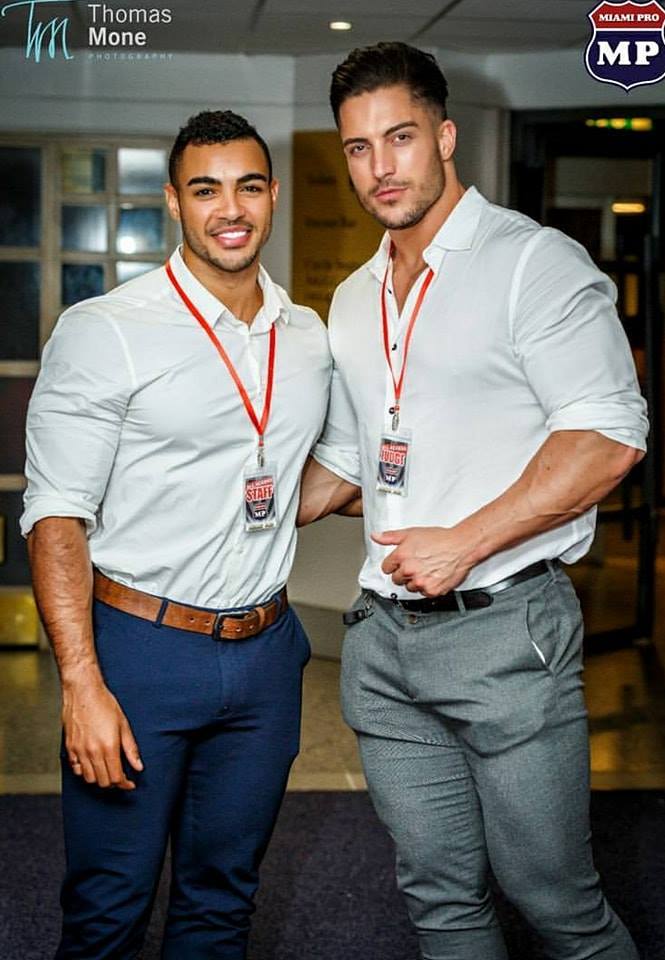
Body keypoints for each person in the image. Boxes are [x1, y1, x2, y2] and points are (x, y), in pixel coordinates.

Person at [298, 42, 647, 960]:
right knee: (439, 898)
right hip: (382, 641)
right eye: (358, 146)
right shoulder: (353, 297)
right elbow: (353, 463)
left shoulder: (532, 264)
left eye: (400, 137)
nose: (380, 166)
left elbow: (607, 438)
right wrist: (234, 501)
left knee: (555, 902)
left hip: (504, 632)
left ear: (445, 136)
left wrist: (464, 540)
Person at [22, 109, 331, 959]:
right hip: (139, 651)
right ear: (173, 202)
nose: (229, 209)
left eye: (247, 187)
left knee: (223, 900)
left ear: (272, 196)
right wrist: (81, 685)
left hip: (265, 653)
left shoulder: (307, 336)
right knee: (109, 906)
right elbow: (56, 515)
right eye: (205, 190)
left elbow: (318, 477)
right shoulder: (107, 329)